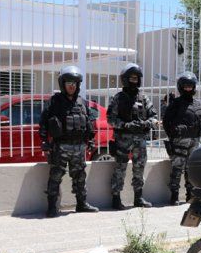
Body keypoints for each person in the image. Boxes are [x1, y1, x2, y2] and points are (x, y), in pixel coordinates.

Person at [39, 65, 99, 218]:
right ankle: (52, 207)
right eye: (68, 82)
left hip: (79, 147)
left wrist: (90, 140)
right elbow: (44, 123)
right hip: (60, 146)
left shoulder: (82, 102)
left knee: (80, 176)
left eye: (74, 82)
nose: (72, 85)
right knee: (56, 176)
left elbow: (89, 123)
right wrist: (45, 141)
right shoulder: (54, 102)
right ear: (62, 84)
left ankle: (81, 203)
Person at [108, 63, 158, 210]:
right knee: (120, 168)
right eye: (131, 78)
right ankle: (116, 198)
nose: (134, 80)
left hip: (140, 140)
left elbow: (154, 117)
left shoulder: (143, 98)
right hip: (123, 140)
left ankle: (138, 198)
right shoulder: (118, 98)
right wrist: (125, 125)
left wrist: (145, 123)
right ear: (125, 79)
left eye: (136, 78)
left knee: (139, 168)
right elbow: (110, 118)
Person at [162, 72, 201, 205]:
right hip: (179, 141)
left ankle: (190, 195)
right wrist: (173, 135)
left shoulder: (197, 103)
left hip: (194, 141)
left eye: (190, 86)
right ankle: (174, 196)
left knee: (191, 169)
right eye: (185, 86)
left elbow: (200, 121)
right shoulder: (175, 103)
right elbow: (166, 121)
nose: (188, 89)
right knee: (177, 168)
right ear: (181, 87)